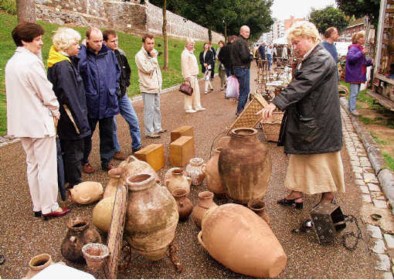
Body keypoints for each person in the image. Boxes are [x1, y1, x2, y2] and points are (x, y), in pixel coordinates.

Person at [258, 21, 345, 209]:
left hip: (318, 122)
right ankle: (296, 194)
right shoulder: (313, 56)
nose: (294, 47)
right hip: (312, 117)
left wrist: (275, 103)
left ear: (310, 38)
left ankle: (328, 198)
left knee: (321, 161)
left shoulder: (320, 58)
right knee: (299, 158)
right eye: (293, 43)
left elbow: (302, 84)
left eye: (297, 42)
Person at [5, 22, 70, 219]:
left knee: (32, 164)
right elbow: (46, 92)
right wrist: (55, 111)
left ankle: (38, 205)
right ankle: (49, 206)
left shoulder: (11, 63)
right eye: (38, 39)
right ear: (25, 41)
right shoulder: (31, 62)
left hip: (22, 123)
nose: (41, 43)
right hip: (39, 122)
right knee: (46, 166)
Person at [47, 27, 91, 189]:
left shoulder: (63, 62)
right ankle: (75, 184)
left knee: (70, 148)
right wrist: (80, 121)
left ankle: (69, 179)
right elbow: (69, 96)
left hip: (68, 114)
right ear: (65, 46)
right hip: (70, 115)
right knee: (74, 149)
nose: (79, 47)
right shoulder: (63, 66)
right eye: (75, 44)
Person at [78, 27, 120, 172]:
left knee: (107, 133)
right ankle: (83, 161)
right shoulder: (82, 54)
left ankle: (106, 160)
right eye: (95, 41)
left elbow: (116, 72)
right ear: (87, 40)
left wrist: (115, 89)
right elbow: (80, 67)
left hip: (108, 100)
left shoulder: (109, 53)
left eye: (101, 40)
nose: (99, 44)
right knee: (86, 135)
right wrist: (83, 49)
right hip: (91, 102)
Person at [103, 29, 142, 159]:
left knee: (134, 121)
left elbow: (128, 70)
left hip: (122, 95)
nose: (116, 43)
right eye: (112, 41)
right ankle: (116, 150)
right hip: (109, 97)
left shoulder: (120, 53)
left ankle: (137, 146)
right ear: (105, 42)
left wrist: (125, 83)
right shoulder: (102, 56)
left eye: (117, 40)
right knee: (112, 127)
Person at [135, 33, 166, 138]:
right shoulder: (139, 56)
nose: (151, 46)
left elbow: (156, 70)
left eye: (153, 43)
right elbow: (147, 69)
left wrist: (159, 82)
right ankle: (149, 131)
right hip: (147, 87)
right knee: (149, 109)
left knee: (157, 108)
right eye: (148, 43)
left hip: (156, 85)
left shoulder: (152, 53)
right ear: (143, 43)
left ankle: (157, 127)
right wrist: (154, 58)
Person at [345, 31, 373, 116]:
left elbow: (362, 62)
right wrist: (362, 53)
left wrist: (370, 62)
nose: (364, 39)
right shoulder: (354, 48)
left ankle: (350, 107)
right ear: (358, 39)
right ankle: (352, 109)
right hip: (355, 75)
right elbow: (351, 58)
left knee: (355, 92)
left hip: (358, 74)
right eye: (362, 37)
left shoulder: (359, 48)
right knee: (354, 93)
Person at [231, 25, 253, 115]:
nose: (248, 34)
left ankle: (240, 110)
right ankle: (240, 111)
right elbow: (245, 57)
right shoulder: (241, 42)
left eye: (248, 32)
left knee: (243, 90)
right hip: (242, 68)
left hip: (238, 68)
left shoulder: (236, 41)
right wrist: (251, 56)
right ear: (241, 32)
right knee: (245, 91)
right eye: (246, 32)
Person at [181, 38, 206, 113]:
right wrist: (187, 77)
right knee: (188, 91)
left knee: (196, 92)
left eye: (193, 44)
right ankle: (188, 108)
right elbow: (184, 66)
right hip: (190, 76)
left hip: (194, 75)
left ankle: (197, 106)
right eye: (191, 44)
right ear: (186, 44)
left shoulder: (191, 52)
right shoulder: (185, 53)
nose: (192, 45)